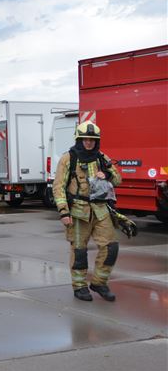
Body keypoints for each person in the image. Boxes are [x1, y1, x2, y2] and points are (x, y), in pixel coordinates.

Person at [52, 121, 122, 302]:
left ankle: (99, 282)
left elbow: (118, 179)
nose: (89, 143)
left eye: (92, 140)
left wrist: (107, 174)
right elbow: (58, 187)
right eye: (85, 139)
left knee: (111, 247)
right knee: (79, 251)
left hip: (101, 210)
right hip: (77, 212)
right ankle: (80, 286)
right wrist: (63, 212)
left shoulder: (102, 158)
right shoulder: (68, 158)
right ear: (79, 140)